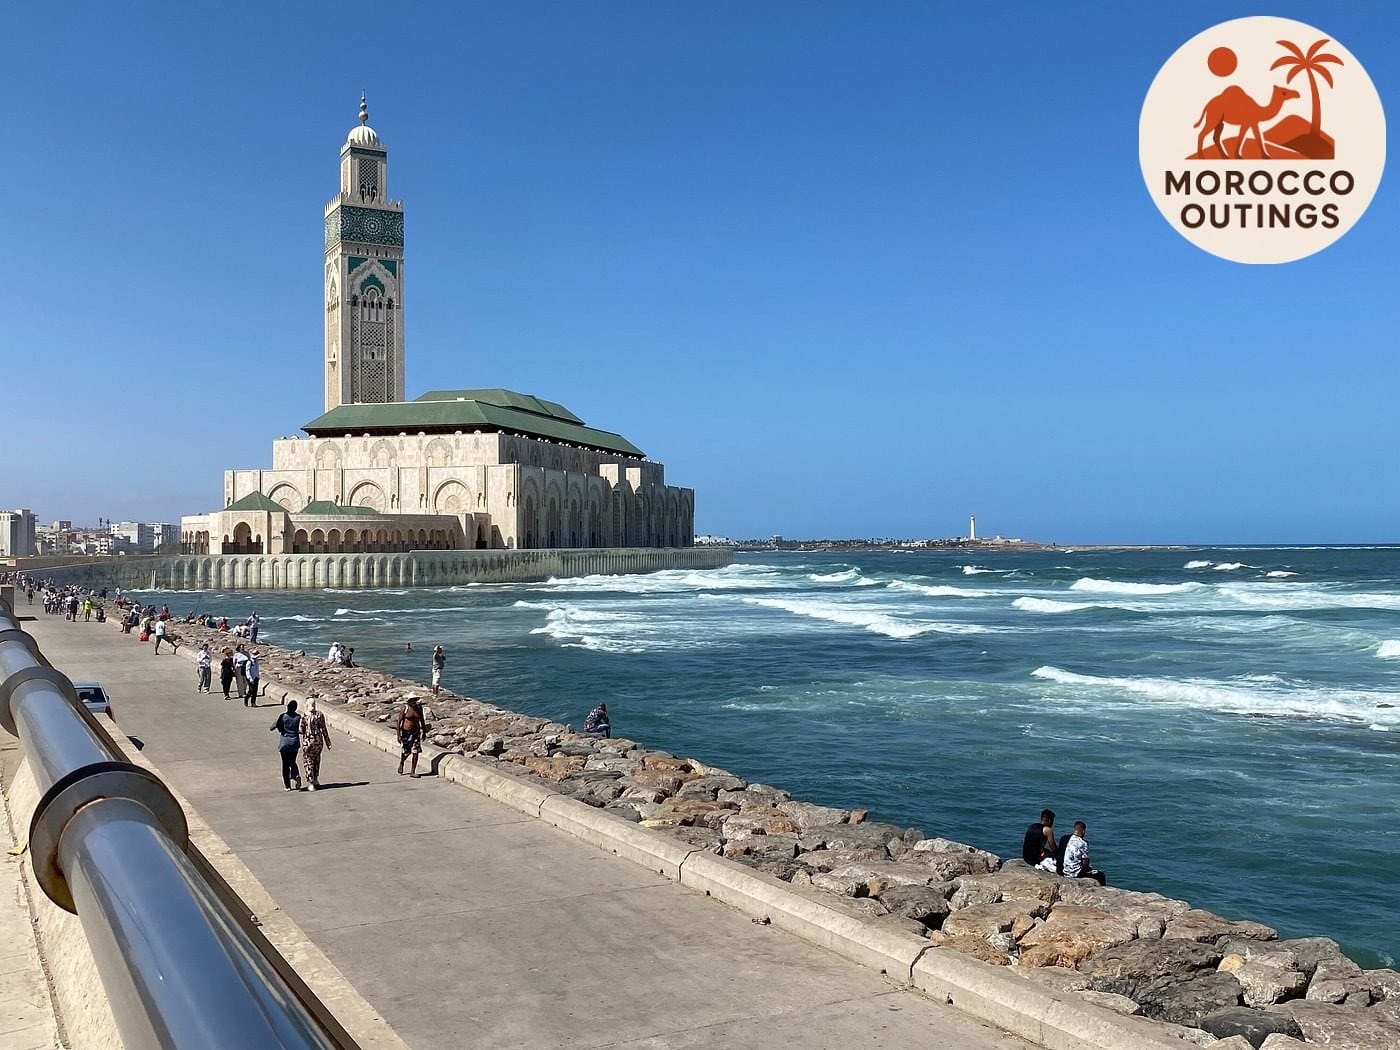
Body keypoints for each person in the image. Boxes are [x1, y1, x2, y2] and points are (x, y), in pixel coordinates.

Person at [1060, 821, 1107, 885]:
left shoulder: (1064, 838)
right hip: (1075, 874)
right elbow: (1085, 864)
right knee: (1101, 875)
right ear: (1083, 831)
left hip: (1063, 871)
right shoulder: (1083, 843)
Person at [271, 701, 303, 791]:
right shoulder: (298, 717)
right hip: (295, 743)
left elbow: (272, 727)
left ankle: (287, 785)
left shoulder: (283, 716)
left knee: (285, 764)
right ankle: (296, 775)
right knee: (292, 761)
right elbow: (301, 729)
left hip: (284, 743)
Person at [299, 699, 332, 789]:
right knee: (317, 759)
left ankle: (311, 783)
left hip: (308, 742)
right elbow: (324, 729)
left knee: (308, 761)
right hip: (318, 741)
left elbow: (301, 730)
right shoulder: (320, 715)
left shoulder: (304, 716)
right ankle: (316, 779)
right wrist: (328, 742)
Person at [397, 695, 426, 776]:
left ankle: (413, 771)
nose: (413, 702)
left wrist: (424, 731)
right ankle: (402, 762)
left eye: (414, 700)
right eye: (412, 700)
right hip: (406, 732)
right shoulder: (405, 709)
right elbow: (399, 721)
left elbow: (422, 719)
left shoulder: (419, 708)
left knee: (415, 752)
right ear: (409, 701)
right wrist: (398, 735)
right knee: (406, 752)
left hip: (416, 732)